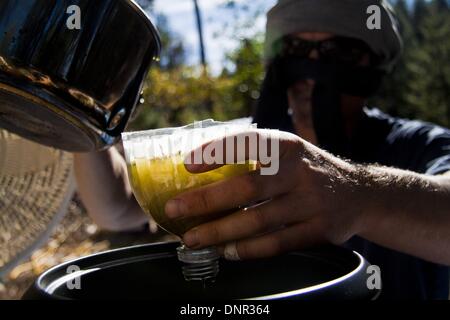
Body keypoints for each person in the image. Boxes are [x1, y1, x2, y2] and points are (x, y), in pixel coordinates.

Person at [74, 0, 450, 299]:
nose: (312, 70)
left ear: (374, 67)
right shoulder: (245, 154)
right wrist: (81, 118)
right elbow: (118, 211)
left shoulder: (418, 146)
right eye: (297, 49)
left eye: (339, 52)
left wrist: (356, 195)